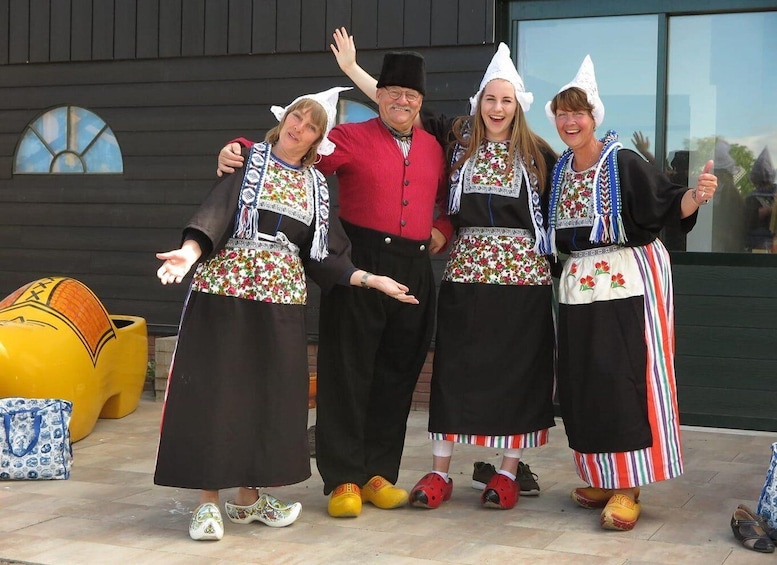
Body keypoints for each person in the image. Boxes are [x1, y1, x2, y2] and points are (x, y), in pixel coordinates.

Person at [154, 86, 421, 541]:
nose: (301, 127)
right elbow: (216, 214)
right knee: (218, 390)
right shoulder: (245, 160)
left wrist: (369, 279)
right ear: (284, 119)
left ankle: (247, 498)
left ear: (318, 140)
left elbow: (327, 256)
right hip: (227, 290)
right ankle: (206, 503)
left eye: (313, 125)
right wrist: (188, 251)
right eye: (298, 116)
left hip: (282, 300)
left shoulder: (316, 186)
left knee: (269, 394)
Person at [217, 49, 452, 518]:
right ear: (379, 96)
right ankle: (343, 476)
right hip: (358, 261)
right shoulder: (349, 136)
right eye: (392, 93)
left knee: (397, 373)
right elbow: (295, 152)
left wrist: (441, 230)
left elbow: (448, 199)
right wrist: (241, 147)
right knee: (347, 372)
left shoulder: (434, 146)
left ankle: (378, 472)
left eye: (410, 95)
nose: (401, 102)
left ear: (420, 101)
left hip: (414, 269)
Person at [329, 31, 557, 510]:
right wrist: (352, 70)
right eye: (490, 99)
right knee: (451, 371)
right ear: (478, 103)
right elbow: (396, 101)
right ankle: (435, 471)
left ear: (518, 106)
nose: (497, 109)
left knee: (511, 373)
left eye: (506, 101)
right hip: (462, 276)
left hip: (520, 284)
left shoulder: (540, 156)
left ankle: (506, 471)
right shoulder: (455, 137)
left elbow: (575, 195)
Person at [544, 55, 718, 531]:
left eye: (578, 111)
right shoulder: (560, 170)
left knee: (623, 373)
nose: (570, 121)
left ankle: (629, 485)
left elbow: (667, 204)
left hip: (628, 277)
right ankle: (603, 475)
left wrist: (697, 196)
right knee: (585, 379)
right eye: (562, 112)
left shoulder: (623, 161)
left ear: (593, 116)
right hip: (579, 283)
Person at [744, 147, 776, 252]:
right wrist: (768, 210)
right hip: (756, 244)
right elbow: (748, 220)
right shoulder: (751, 198)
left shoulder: (774, 192)